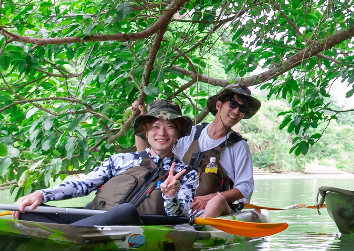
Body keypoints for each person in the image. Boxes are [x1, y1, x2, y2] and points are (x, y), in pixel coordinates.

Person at [12, 99, 198, 223]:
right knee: (28, 211)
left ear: (178, 132)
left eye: (169, 127)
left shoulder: (187, 174)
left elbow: (180, 217)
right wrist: (41, 194)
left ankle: (68, 235)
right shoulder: (120, 160)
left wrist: (170, 195)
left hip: (137, 229)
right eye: (155, 126)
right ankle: (71, 233)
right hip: (97, 219)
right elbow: (82, 185)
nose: (162, 133)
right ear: (146, 131)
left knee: (127, 211)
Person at [174, 84, 259, 218]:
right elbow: (156, 153)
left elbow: (245, 187)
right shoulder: (190, 134)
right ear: (218, 105)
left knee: (217, 201)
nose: (236, 111)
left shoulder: (239, 146)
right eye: (232, 104)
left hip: (217, 211)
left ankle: (198, 231)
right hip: (179, 206)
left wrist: (210, 198)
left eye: (242, 108)